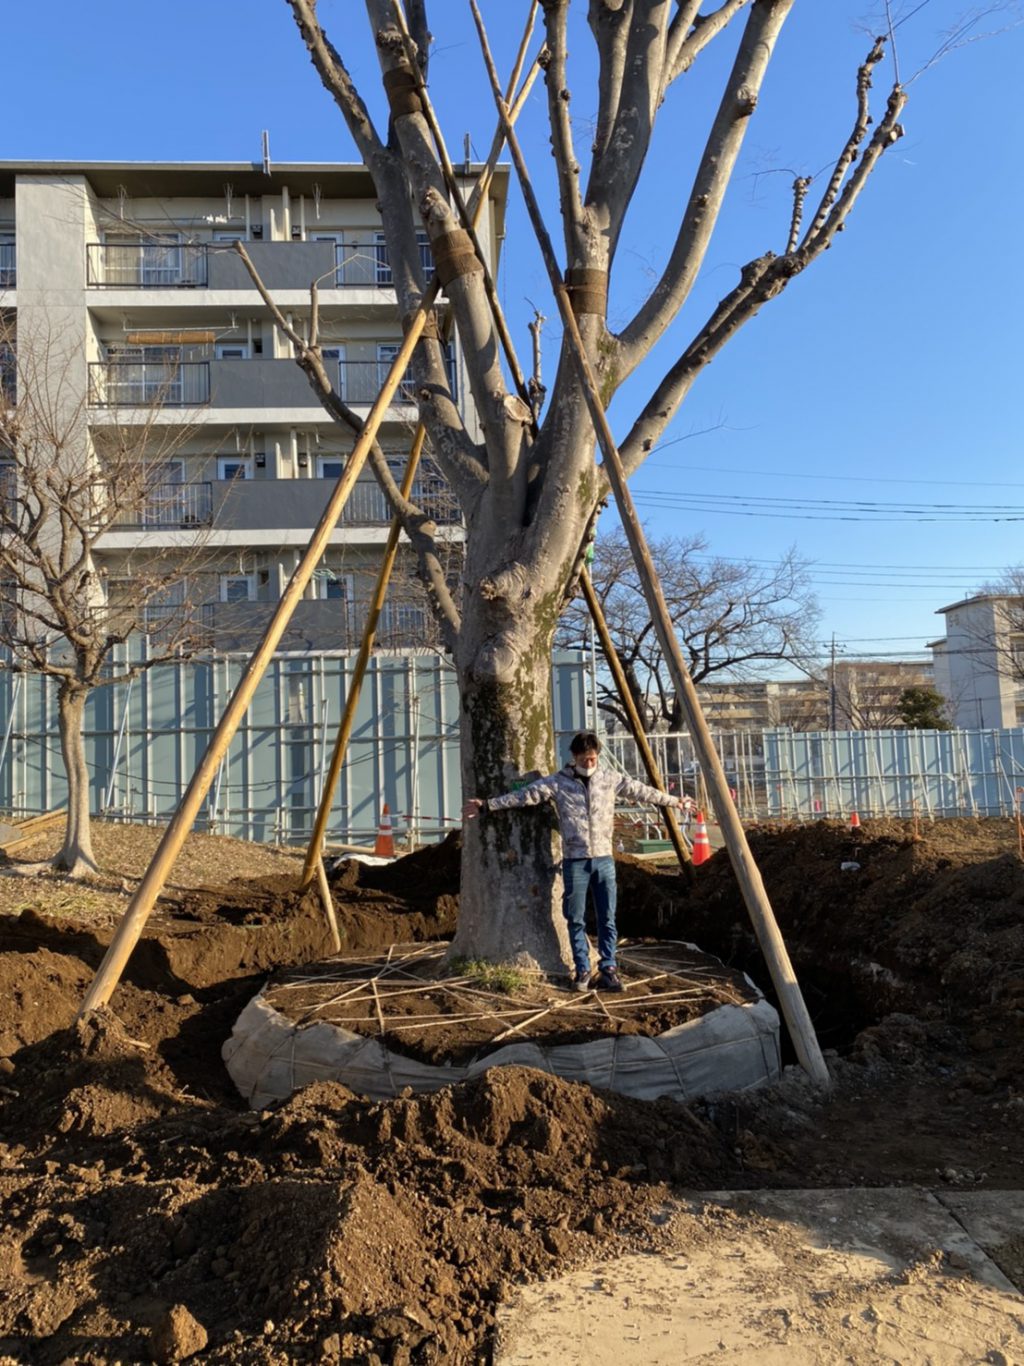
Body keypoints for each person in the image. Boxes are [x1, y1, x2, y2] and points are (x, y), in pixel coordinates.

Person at [463, 731, 693, 993]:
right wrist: (487, 805)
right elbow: (526, 794)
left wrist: (676, 801)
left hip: (604, 859)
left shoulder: (610, 779)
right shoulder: (558, 782)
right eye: (585, 760)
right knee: (575, 917)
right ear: (574, 757)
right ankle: (582, 968)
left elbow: (643, 792)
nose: (590, 764)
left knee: (607, 917)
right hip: (575, 861)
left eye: (593, 759)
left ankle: (609, 968)